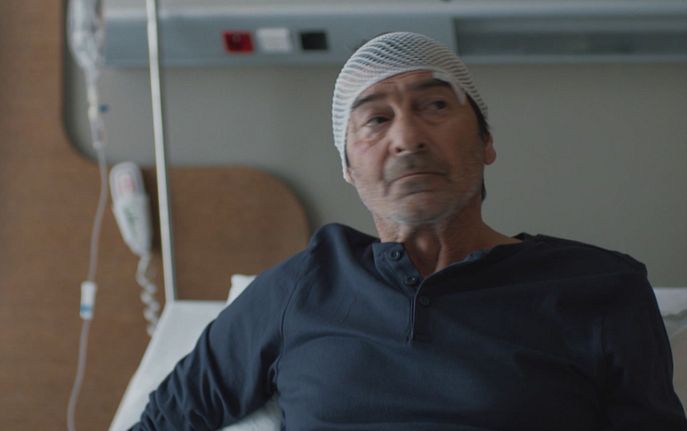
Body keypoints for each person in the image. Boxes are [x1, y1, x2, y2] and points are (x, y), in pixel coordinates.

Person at [132, 32, 686, 430]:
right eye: (375, 119)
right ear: (349, 168)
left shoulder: (599, 288)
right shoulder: (303, 287)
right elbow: (164, 421)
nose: (407, 138)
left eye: (435, 105)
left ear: (486, 143)